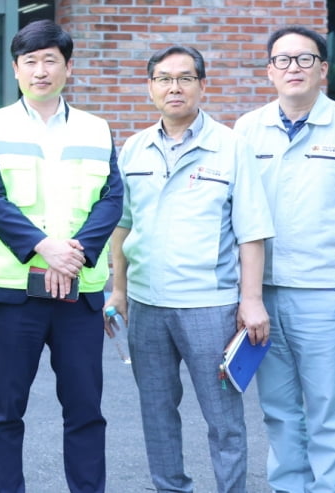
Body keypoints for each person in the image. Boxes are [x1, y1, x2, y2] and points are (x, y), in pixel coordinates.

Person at [234, 25, 335, 493]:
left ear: (322, 70)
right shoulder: (247, 128)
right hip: (262, 294)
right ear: (269, 71)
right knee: (279, 409)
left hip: (323, 291)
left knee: (327, 409)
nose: (293, 68)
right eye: (282, 60)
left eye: (305, 60)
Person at [105, 45, 273, 493]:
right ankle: (170, 487)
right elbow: (121, 228)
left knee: (223, 419)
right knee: (157, 413)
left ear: (202, 84)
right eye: (163, 78)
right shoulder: (133, 150)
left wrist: (251, 300)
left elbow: (251, 231)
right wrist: (117, 291)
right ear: (150, 87)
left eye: (184, 78)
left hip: (209, 306)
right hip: (146, 305)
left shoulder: (231, 147)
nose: (173, 87)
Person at [0, 20, 123, 493]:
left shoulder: (98, 129)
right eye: (30, 61)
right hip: (16, 294)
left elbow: (112, 197)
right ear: (16, 69)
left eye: (50, 60)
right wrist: (45, 248)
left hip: (80, 295)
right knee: (4, 413)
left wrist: (74, 256)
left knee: (84, 411)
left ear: (68, 67)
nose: (40, 70)